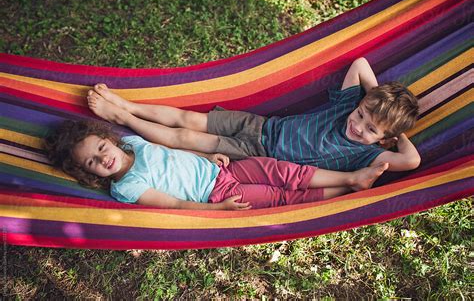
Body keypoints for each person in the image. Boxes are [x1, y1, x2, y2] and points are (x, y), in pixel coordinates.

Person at [86, 57, 421, 173]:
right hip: (260, 125)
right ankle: (128, 104)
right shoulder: (345, 107)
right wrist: (375, 103)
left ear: (384, 139)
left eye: (369, 128)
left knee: (186, 139)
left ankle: (125, 120)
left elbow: (412, 160)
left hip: (259, 155)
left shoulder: (366, 152)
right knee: (189, 118)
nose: (358, 124)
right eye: (362, 114)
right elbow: (360, 65)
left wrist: (391, 134)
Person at [44, 120, 388, 210]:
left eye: (101, 147)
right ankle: (347, 187)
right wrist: (221, 209)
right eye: (93, 162)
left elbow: (173, 154)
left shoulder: (131, 143)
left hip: (222, 170)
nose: (104, 158)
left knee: (282, 169)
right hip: (216, 196)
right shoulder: (127, 186)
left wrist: (207, 157)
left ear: (109, 139)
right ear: (88, 172)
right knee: (283, 198)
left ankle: (352, 177)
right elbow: (177, 204)